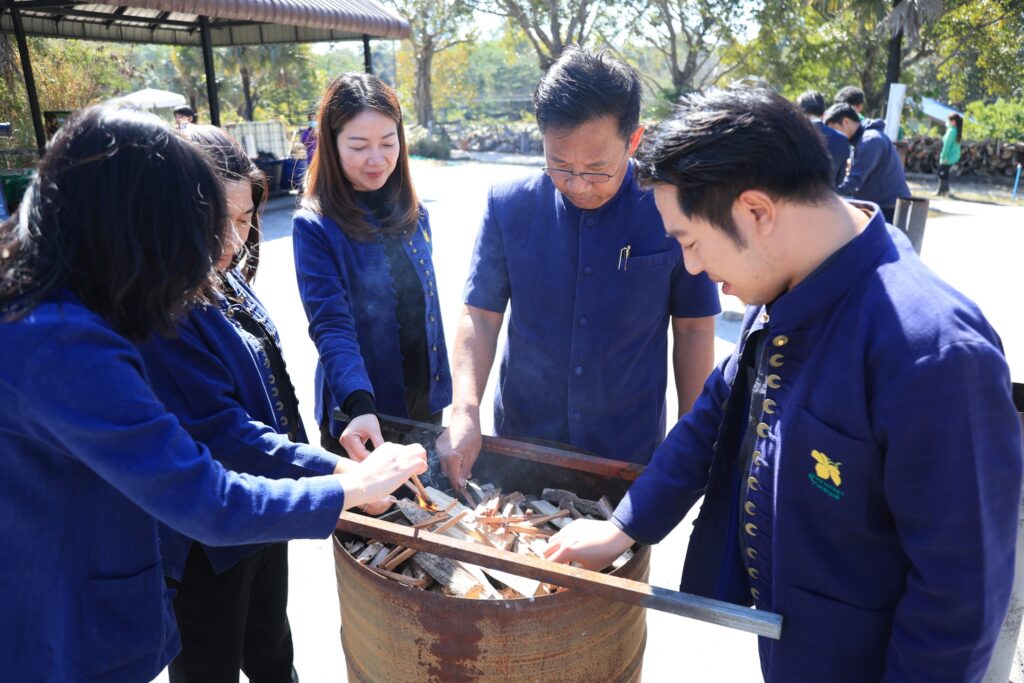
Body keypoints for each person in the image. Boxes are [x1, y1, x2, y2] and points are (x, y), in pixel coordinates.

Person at [543, 85, 1021, 683]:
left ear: (757, 213)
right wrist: (623, 527)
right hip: (789, 647)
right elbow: (717, 415)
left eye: (691, 241)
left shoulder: (934, 353)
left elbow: (958, 598)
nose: (692, 266)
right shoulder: (789, 283)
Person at [0, 105, 427, 681]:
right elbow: (207, 498)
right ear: (133, 222)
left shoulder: (60, 306)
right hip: (55, 632)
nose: (215, 248)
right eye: (192, 226)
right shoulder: (61, 343)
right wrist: (348, 486)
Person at [137, 125, 373, 683]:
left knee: (272, 655)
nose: (232, 240)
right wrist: (339, 476)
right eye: (216, 220)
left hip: (263, 512)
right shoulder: (161, 307)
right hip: (205, 535)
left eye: (245, 219)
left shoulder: (222, 275)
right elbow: (225, 432)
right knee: (208, 669)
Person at [438, 46, 720, 492]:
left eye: (596, 169)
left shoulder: (671, 210)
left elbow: (694, 329)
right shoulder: (509, 205)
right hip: (523, 441)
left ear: (634, 141)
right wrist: (464, 409)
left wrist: (691, 436)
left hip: (626, 449)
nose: (578, 185)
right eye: (560, 165)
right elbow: (481, 316)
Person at [294, 73, 451, 460]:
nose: (377, 159)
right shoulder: (315, 226)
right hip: (362, 418)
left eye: (388, 142)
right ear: (332, 143)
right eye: (359, 146)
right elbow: (330, 325)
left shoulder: (415, 213)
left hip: (426, 408)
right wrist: (359, 405)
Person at [824, 102, 910, 223]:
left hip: (889, 208)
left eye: (835, 129)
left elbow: (855, 180)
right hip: (883, 204)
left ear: (846, 121)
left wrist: (826, 194)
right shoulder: (864, 139)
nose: (835, 135)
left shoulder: (869, 141)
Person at [795, 90, 850, 188]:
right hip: (828, 193)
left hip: (797, 194)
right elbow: (840, 179)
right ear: (824, 114)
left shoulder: (793, 135)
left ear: (799, 112)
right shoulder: (842, 139)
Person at [937, 112, 964, 197]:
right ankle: (944, 191)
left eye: (949, 120)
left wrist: (943, 156)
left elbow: (947, 145)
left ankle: (942, 191)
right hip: (953, 156)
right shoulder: (956, 131)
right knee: (945, 173)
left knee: (942, 173)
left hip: (948, 156)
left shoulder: (951, 131)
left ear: (953, 122)